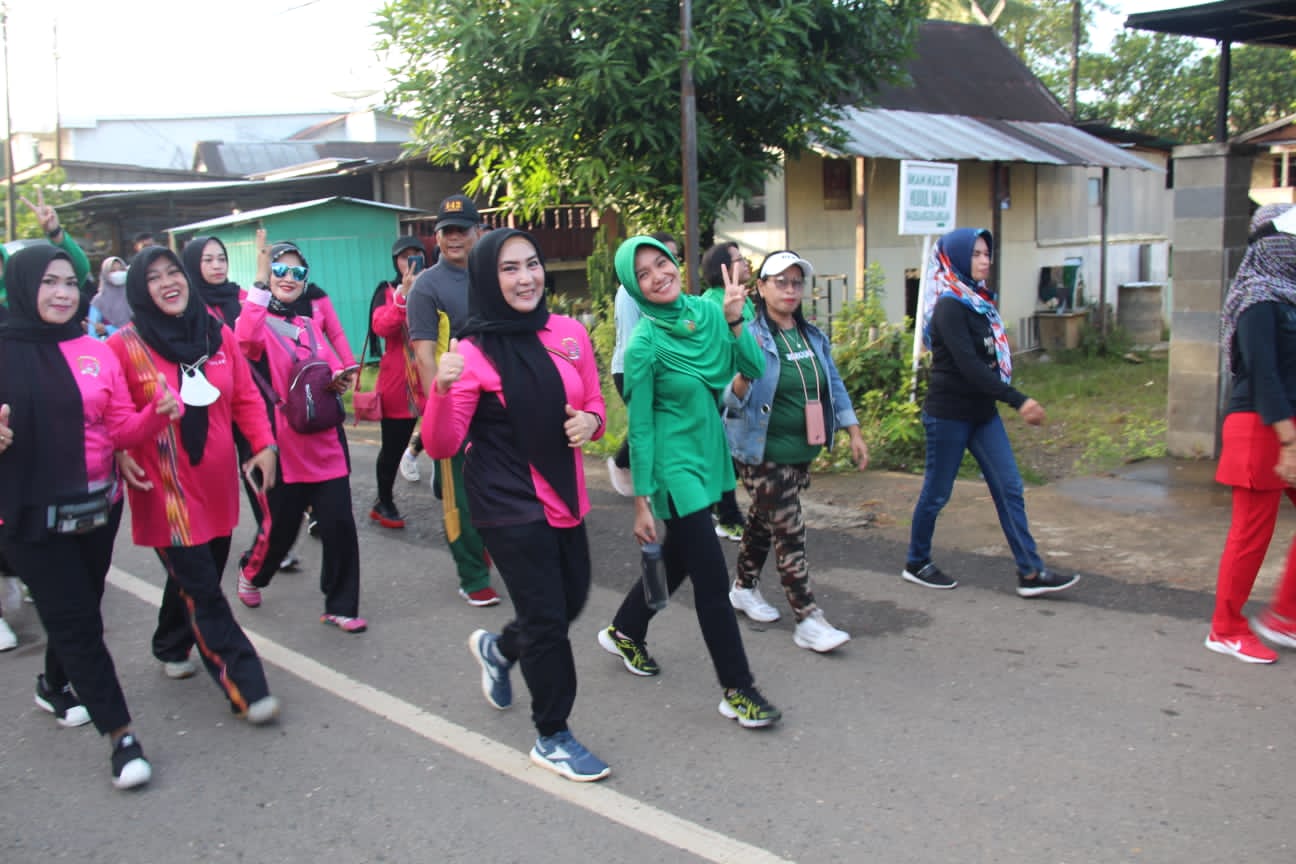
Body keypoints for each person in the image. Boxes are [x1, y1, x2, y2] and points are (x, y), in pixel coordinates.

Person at [424, 228, 610, 781]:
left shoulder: (569, 333)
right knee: (549, 622)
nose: (526, 278)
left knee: (570, 601)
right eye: (509, 269)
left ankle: (501, 651)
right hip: (507, 504)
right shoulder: (471, 353)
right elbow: (442, 444)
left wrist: (592, 422)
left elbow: (594, 399)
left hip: (565, 495)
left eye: (532, 264)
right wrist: (440, 389)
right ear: (488, 278)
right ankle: (553, 735)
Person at [1, 244, 180, 789]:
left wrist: (157, 414)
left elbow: (118, 428)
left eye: (69, 282)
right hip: (28, 514)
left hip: (98, 506)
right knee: (80, 623)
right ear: (22, 286)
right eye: (48, 282)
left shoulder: (95, 351)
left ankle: (53, 685)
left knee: (79, 607)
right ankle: (121, 737)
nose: (62, 293)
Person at [597, 235, 782, 729]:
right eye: (643, 274)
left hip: (707, 452)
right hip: (671, 465)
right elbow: (640, 428)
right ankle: (738, 689)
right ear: (634, 288)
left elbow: (752, 369)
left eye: (661, 263)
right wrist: (641, 501)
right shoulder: (644, 345)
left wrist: (736, 320)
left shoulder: (706, 313)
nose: (658, 276)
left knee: (679, 557)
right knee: (711, 577)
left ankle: (626, 628)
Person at [109, 245, 282, 723]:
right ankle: (246, 685)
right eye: (153, 278)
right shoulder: (123, 346)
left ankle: (170, 642)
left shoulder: (215, 333)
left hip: (217, 484)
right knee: (204, 589)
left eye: (173, 273)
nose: (168, 283)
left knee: (198, 573)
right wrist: (119, 450)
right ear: (139, 291)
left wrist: (263, 444)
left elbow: (245, 396)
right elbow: (107, 414)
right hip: (165, 491)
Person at [903, 228, 1078, 597]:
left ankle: (1030, 572)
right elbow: (970, 367)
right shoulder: (950, 305)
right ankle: (916, 562)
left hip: (982, 415)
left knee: (1009, 487)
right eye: (976, 254)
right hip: (949, 415)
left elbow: (989, 358)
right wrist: (1019, 400)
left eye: (987, 253)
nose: (985, 260)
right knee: (937, 493)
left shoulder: (979, 301)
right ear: (957, 258)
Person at [722, 251, 869, 652]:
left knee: (762, 520)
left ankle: (743, 588)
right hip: (760, 452)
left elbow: (832, 384)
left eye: (796, 282)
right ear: (761, 287)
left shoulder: (811, 335)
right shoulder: (747, 334)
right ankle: (808, 619)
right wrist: (742, 379)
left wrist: (854, 431)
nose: (790, 290)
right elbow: (727, 399)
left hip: (799, 452)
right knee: (789, 532)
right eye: (780, 282)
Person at [235, 237, 367, 633]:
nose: (289, 277)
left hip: (325, 442)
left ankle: (340, 604)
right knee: (281, 530)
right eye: (280, 269)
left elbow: (323, 370)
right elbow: (244, 340)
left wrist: (338, 380)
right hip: (284, 447)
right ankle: (253, 573)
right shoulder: (256, 322)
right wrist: (260, 281)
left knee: (339, 525)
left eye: (297, 271)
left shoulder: (309, 324)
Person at [1208, 203, 1296, 664]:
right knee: (1252, 532)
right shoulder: (1258, 299)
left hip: (1286, 424)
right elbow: (1264, 375)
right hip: (1261, 426)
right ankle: (1225, 629)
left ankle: (1286, 617)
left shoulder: (1289, 296)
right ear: (1276, 244)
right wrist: (1288, 442)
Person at [408, 194, 499, 607]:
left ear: (478, 232)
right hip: (457, 403)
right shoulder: (427, 287)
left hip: (498, 401)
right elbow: (424, 355)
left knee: (499, 484)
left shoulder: (494, 274)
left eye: (462, 229)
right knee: (459, 495)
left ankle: (487, 545)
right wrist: (438, 413)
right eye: (447, 231)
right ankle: (472, 575)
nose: (455, 238)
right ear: (438, 237)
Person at [606, 231, 677, 498]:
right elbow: (630, 337)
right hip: (631, 369)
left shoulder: (665, 291)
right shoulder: (628, 292)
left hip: (656, 367)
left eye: (670, 258)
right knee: (650, 424)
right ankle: (629, 468)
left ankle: (642, 475)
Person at [366, 236, 428, 528]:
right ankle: (384, 501)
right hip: (399, 382)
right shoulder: (387, 290)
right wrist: (402, 296)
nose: (411, 262)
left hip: (433, 375)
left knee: (447, 435)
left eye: (416, 255)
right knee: (392, 447)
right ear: (396, 262)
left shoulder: (435, 286)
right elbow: (381, 327)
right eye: (405, 257)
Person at [699, 241, 755, 541]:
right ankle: (729, 517)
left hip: (745, 388)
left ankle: (712, 508)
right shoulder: (709, 304)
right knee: (725, 456)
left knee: (731, 456)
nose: (745, 264)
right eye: (738, 259)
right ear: (722, 268)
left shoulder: (744, 300)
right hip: (720, 392)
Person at [87, 257, 130, 340]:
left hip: (136, 344)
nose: (118, 273)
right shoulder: (98, 301)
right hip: (110, 344)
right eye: (113, 271)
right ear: (105, 274)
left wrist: (107, 329)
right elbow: (92, 333)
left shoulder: (134, 295)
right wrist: (108, 331)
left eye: (121, 270)